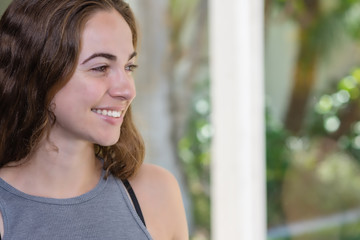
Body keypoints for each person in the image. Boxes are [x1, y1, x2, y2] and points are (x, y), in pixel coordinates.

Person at [0, 0, 189, 239]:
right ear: (38, 73)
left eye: (129, 67)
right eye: (100, 67)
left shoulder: (156, 193)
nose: (127, 91)